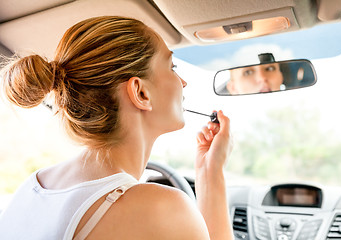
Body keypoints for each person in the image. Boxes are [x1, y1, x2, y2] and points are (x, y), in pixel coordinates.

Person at [0, 16, 233, 239]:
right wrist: (213, 176)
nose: (183, 82)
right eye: (172, 67)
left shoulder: (33, 186)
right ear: (141, 93)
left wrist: (208, 169)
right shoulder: (160, 209)